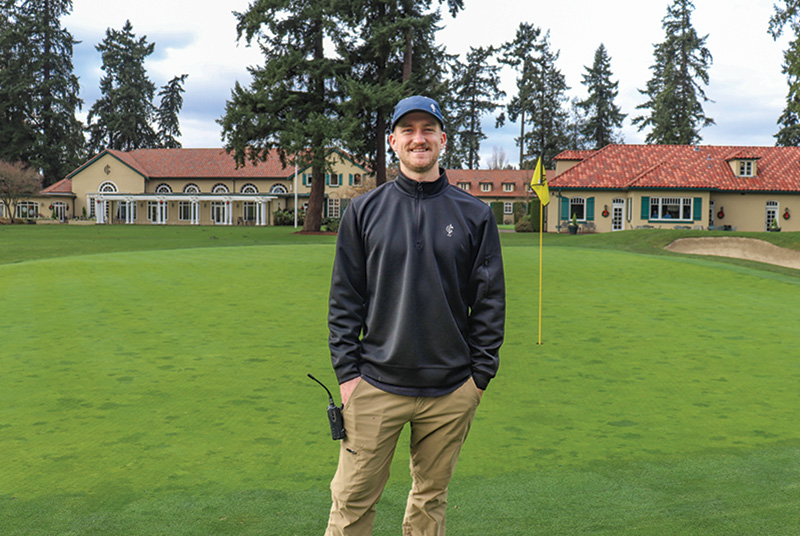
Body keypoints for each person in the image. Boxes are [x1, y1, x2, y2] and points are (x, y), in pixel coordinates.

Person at [325, 95, 506, 536]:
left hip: (449, 390)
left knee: (430, 503)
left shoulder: (475, 214)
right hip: (376, 385)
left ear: (443, 139)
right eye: (408, 130)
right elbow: (345, 300)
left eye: (428, 130)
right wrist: (348, 376)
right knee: (350, 503)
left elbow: (489, 302)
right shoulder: (364, 211)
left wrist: (477, 380)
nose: (418, 139)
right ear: (394, 141)